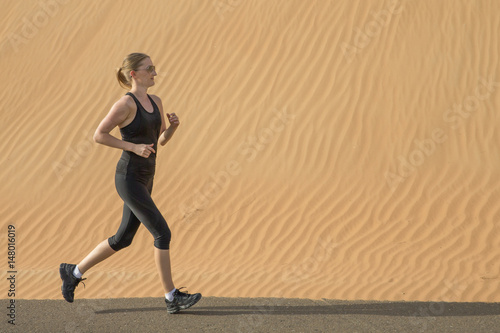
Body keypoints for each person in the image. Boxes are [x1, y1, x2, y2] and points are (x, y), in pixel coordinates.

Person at [59, 52, 201, 314]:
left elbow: (160, 141)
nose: (155, 73)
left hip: (147, 178)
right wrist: (132, 148)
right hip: (128, 178)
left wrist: (173, 128)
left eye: (154, 68)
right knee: (162, 233)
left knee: (123, 238)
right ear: (134, 74)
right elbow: (99, 135)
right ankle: (171, 297)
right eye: (150, 69)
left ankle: (74, 272)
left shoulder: (156, 101)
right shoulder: (125, 104)